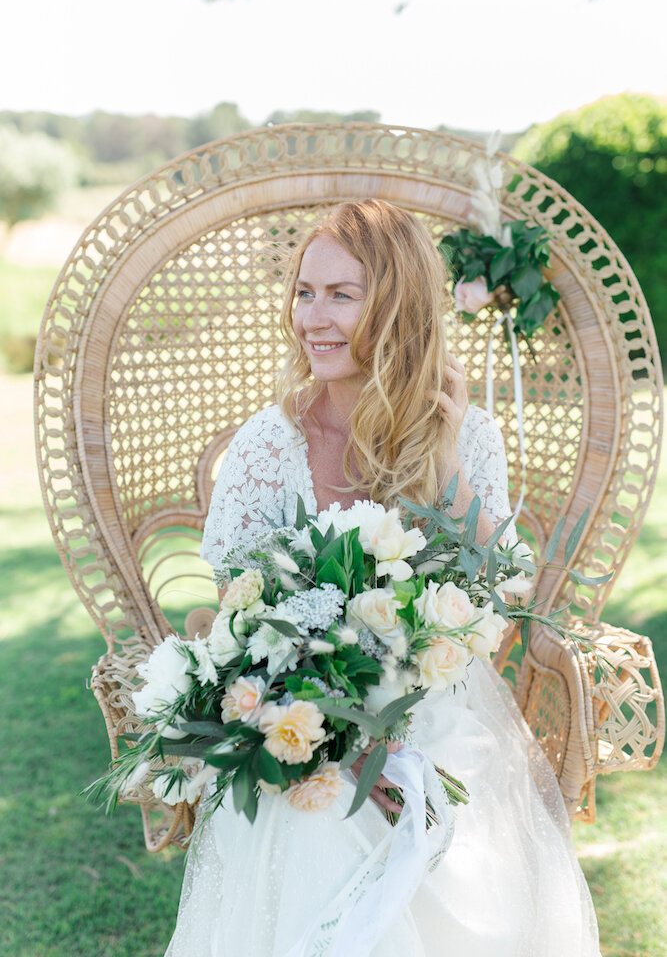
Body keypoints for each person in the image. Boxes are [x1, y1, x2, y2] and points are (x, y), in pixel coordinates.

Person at [165, 200, 601, 956]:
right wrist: (336, 733)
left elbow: (488, 592)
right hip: (299, 710)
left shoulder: (465, 433)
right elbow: (237, 622)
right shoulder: (268, 442)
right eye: (304, 291)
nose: (312, 317)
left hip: (436, 705)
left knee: (449, 823)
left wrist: (451, 457)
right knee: (314, 824)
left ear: (396, 305)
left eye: (342, 294)